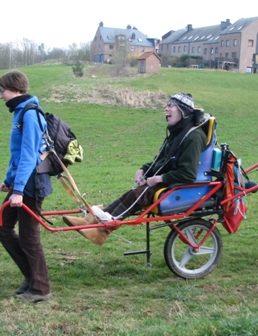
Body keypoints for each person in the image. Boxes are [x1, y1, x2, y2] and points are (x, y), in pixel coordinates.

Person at [63, 93, 207, 245]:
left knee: (137, 195)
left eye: (171, 105)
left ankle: (103, 230)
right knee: (131, 194)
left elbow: (188, 174)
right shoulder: (177, 133)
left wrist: (159, 179)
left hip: (177, 184)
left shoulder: (193, 137)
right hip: (169, 179)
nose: (166, 108)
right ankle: (92, 221)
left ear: (183, 111)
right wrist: (143, 170)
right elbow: (161, 161)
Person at [0, 70, 54, 302]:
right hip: (21, 183)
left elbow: (30, 155)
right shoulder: (20, 111)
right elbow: (17, 155)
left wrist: (18, 190)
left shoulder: (29, 113)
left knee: (29, 237)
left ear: (15, 89)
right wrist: (9, 181)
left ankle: (41, 289)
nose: (1, 96)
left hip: (31, 185)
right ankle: (32, 276)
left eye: (2, 90)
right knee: (2, 227)